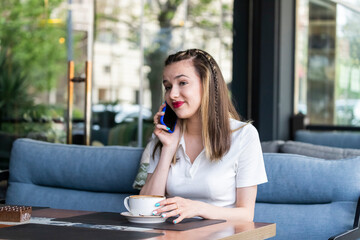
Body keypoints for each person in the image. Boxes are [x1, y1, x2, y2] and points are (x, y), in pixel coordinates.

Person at [140, 49, 267, 224]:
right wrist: (168, 149)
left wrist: (197, 208)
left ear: (206, 85)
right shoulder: (164, 136)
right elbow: (146, 208)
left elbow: (246, 215)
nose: (172, 94)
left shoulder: (244, 135)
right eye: (168, 86)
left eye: (182, 83)